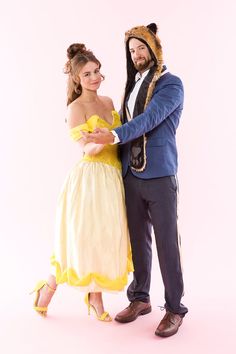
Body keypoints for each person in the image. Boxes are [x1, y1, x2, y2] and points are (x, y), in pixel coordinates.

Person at [82, 23, 188, 336]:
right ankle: (140, 297)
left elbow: (148, 120)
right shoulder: (132, 85)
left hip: (160, 174)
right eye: (131, 50)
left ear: (154, 48)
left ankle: (174, 308)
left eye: (141, 47)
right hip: (131, 173)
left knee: (168, 244)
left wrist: (111, 135)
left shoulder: (172, 84)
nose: (137, 54)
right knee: (137, 241)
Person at [30, 43, 133, 322]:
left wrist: (111, 136)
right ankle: (47, 288)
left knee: (102, 240)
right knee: (80, 241)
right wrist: (101, 139)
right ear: (77, 78)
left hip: (113, 178)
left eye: (97, 71)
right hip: (90, 180)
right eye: (87, 74)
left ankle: (95, 296)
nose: (94, 78)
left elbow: (121, 138)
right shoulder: (75, 108)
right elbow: (85, 148)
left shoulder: (110, 102)